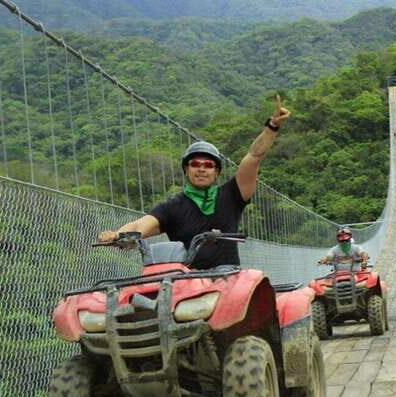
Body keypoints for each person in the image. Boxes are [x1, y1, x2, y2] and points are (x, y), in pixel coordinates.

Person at [98, 95, 291, 269]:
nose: (201, 168)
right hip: (186, 280)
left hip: (227, 278)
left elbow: (254, 156)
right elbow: (140, 226)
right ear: (186, 169)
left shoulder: (232, 195)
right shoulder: (173, 207)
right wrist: (118, 234)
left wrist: (272, 126)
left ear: (216, 172)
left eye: (208, 164)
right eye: (195, 163)